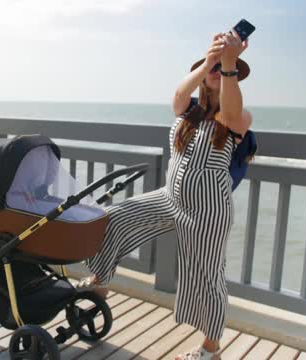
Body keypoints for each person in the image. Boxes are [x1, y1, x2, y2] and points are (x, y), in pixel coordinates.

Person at [77, 30, 253, 360]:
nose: (218, 73)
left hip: (207, 210)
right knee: (114, 218)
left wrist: (227, 61)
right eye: (212, 69)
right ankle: (100, 280)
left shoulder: (239, 116)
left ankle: (210, 348)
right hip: (169, 197)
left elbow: (230, 116)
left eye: (227, 71)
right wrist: (209, 61)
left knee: (207, 276)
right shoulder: (189, 111)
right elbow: (177, 94)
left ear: (235, 78)